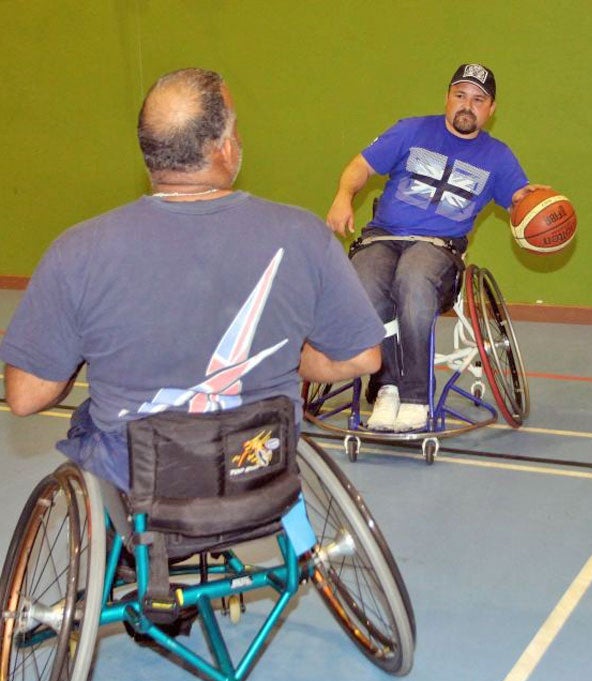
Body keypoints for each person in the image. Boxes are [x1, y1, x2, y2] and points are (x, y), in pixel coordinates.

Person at [0, 67, 385, 490]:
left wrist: (74, 352)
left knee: (89, 425)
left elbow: (26, 395)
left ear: (150, 152)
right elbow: (362, 358)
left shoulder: (77, 250)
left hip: (140, 480)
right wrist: (291, 356)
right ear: (223, 147)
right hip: (256, 470)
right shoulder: (303, 233)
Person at [326, 63, 545, 432]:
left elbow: (522, 203)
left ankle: (415, 396)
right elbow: (360, 166)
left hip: (438, 248)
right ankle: (387, 389)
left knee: (413, 278)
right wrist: (343, 196)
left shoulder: (498, 158)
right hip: (384, 237)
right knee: (365, 283)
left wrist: (539, 206)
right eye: (460, 96)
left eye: (478, 100)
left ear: (490, 110)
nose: (467, 105)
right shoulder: (410, 130)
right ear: (447, 98)